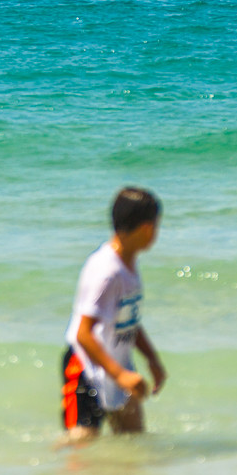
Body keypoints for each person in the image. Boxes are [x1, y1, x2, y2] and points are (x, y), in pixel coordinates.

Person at [60, 187, 167, 442]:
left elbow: (128, 318)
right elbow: (83, 333)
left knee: (133, 439)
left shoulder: (128, 262)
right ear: (146, 228)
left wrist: (151, 358)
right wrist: (120, 374)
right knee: (82, 439)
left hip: (117, 363)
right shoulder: (106, 270)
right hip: (86, 365)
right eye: (156, 225)